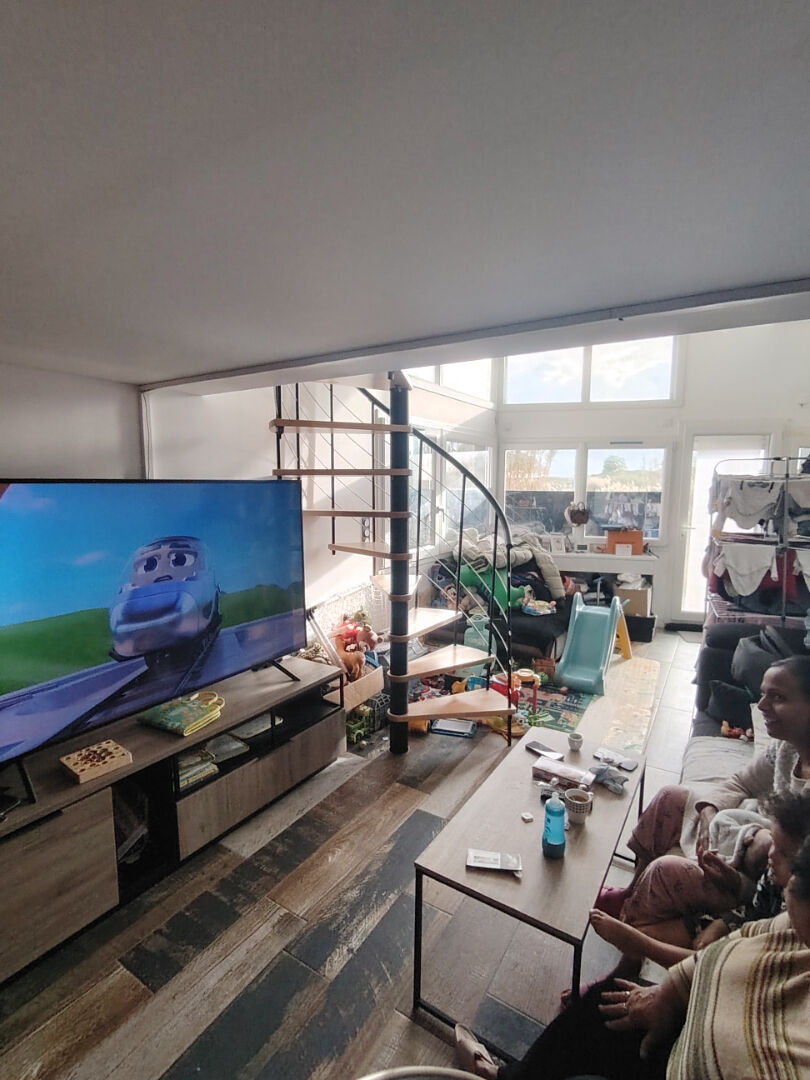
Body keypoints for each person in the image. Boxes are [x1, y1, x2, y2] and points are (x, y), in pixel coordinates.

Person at [455, 832, 810, 1079]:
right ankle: (507, 1076)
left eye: (791, 864)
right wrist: (669, 994)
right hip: (687, 1018)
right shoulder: (787, 925)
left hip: (684, 1058)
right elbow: (735, 944)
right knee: (605, 1001)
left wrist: (636, 942)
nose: (776, 864)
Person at [598, 655, 810, 930]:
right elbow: (740, 783)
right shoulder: (786, 747)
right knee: (670, 797)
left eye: (778, 698)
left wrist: (739, 876)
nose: (761, 706)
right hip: (741, 838)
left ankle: (629, 930)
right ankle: (630, 893)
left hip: (759, 881)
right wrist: (709, 812)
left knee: (668, 870)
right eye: (763, 695)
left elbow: (790, 880)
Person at [590, 789, 810, 970]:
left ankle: (638, 963)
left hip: (742, 958)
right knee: (643, 932)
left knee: (638, 938)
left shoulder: (793, 921)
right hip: (741, 928)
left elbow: (733, 966)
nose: (771, 855)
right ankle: (628, 965)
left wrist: (638, 943)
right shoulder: (774, 877)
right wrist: (723, 922)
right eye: (773, 843)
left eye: (783, 854)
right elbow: (753, 911)